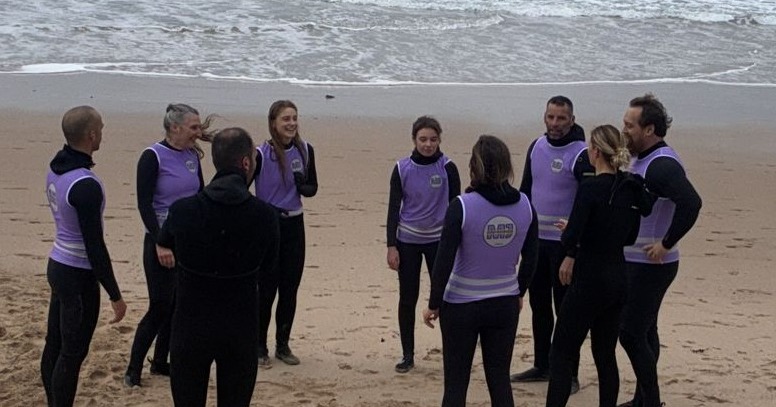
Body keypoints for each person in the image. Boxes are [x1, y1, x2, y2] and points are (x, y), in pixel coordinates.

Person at [156, 127, 280, 407]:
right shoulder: (265, 216)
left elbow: (164, 243)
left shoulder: (182, 210)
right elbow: (269, 269)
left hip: (190, 324)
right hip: (240, 326)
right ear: (246, 163)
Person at [423, 135, 538, 407]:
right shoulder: (526, 205)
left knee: (456, 382)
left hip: (462, 304)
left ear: (474, 167)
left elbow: (443, 260)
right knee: (499, 380)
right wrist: (519, 292)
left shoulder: (462, 206)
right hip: (504, 303)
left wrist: (433, 303)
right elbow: (532, 258)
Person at [545, 125, 653, 407]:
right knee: (605, 355)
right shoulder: (630, 187)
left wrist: (573, 231)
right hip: (618, 277)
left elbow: (571, 237)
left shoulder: (591, 187)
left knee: (561, 352)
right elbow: (628, 237)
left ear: (595, 152)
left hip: (589, 279)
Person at [618, 94, 702, 407]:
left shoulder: (661, 165)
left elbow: (691, 203)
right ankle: (642, 399)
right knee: (645, 330)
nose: (624, 130)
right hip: (636, 262)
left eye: (630, 126)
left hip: (651, 265)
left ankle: (650, 402)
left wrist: (666, 243)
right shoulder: (641, 157)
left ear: (649, 129)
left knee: (630, 334)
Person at [41, 106, 127, 407]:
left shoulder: (56, 167)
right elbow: (95, 247)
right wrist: (115, 294)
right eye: (101, 127)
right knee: (72, 353)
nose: (103, 131)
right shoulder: (85, 185)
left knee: (55, 344)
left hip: (58, 263)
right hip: (78, 274)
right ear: (91, 135)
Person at [511, 96, 593, 394]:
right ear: (544, 117)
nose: (555, 124)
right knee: (539, 306)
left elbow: (587, 204)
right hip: (537, 243)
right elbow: (525, 192)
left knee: (566, 311)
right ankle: (543, 365)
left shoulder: (582, 154)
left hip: (564, 247)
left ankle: (569, 374)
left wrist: (574, 250)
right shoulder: (536, 146)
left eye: (561, 118)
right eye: (550, 117)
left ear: (572, 120)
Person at [125, 103, 211, 387]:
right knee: (160, 306)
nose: (198, 132)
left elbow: (200, 195)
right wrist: (160, 243)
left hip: (187, 241)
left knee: (178, 305)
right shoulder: (152, 156)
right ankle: (133, 370)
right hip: (160, 241)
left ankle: (161, 362)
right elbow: (144, 204)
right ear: (175, 127)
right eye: (193, 127)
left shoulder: (191, 155)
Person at [386, 115, 461, 373]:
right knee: (408, 297)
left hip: (438, 242)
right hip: (407, 241)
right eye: (423, 139)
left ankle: (452, 353)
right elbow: (393, 208)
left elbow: (457, 210)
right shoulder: (401, 168)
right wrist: (391, 246)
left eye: (433, 139)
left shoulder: (448, 168)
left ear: (439, 140)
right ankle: (407, 355)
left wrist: (457, 245)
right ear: (414, 140)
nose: (428, 144)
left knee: (444, 298)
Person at [254, 100, 318, 366]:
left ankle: (283, 345)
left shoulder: (305, 150)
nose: (291, 123)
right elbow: (242, 188)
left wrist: (303, 187)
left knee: (289, 288)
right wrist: (262, 212)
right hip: (269, 227)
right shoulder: (260, 153)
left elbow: (313, 188)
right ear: (273, 123)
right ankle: (259, 346)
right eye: (285, 119)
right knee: (266, 289)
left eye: (294, 118)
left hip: (294, 225)